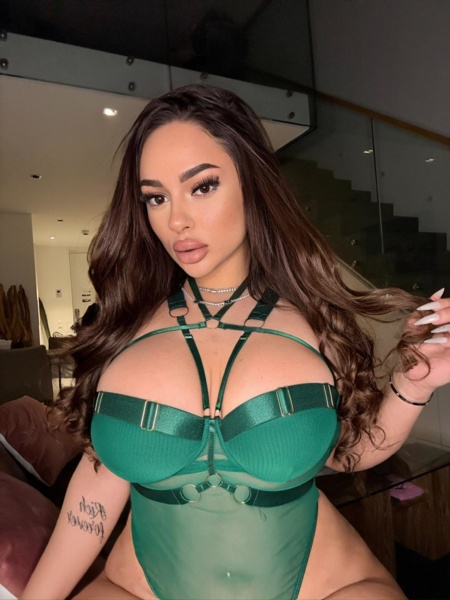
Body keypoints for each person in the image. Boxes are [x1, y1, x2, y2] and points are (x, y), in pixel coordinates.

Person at [21, 84, 450, 600]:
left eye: (202, 187)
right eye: (156, 197)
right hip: (138, 589)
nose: (176, 220)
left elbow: (344, 455)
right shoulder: (123, 328)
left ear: (252, 183)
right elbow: (94, 490)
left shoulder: (317, 321)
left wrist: (414, 383)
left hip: (322, 587)